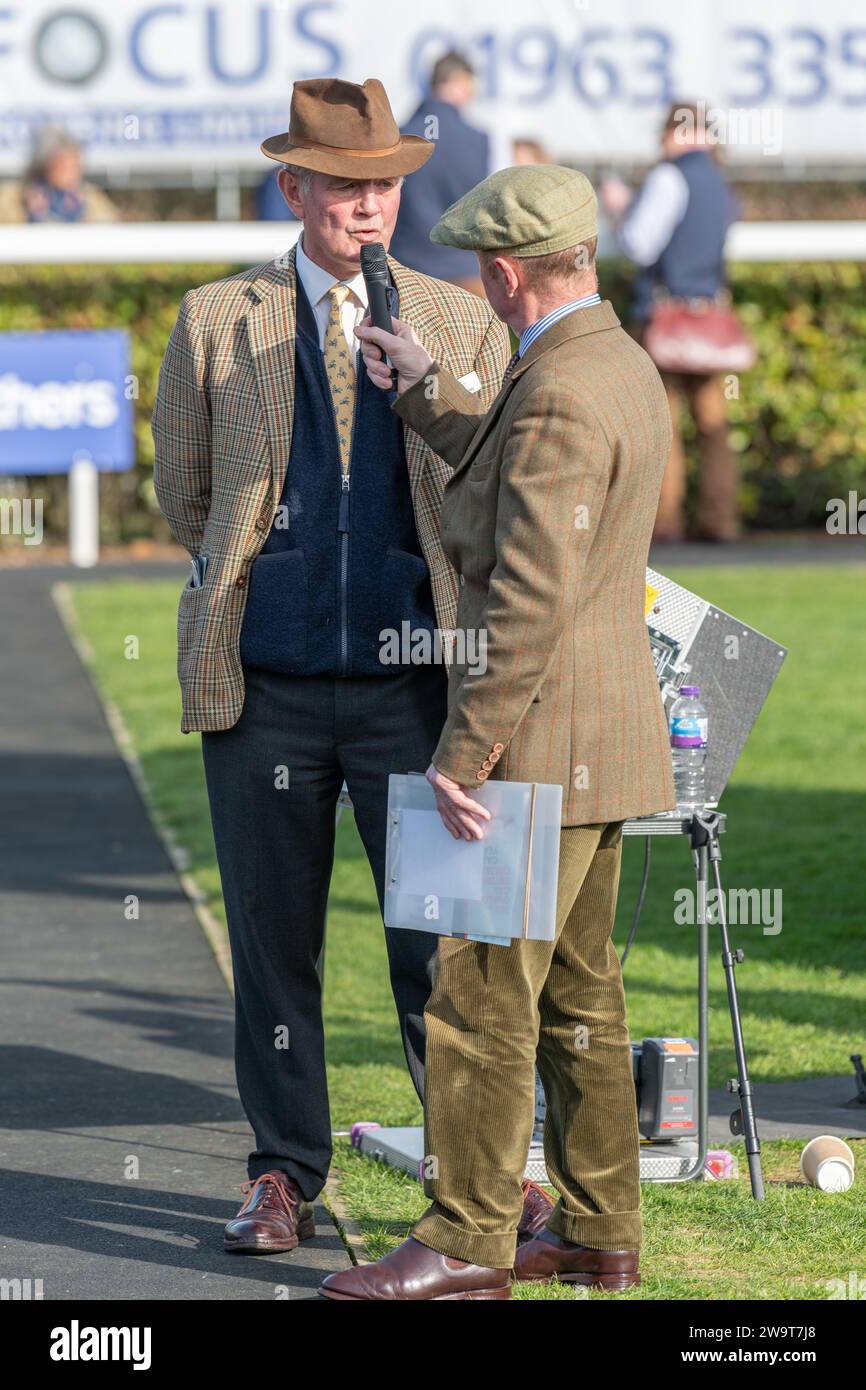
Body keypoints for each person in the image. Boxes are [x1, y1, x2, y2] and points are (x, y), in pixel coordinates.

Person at [151, 75, 514, 1256]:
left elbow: (498, 490)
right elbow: (185, 494)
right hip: (266, 691)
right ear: (292, 185)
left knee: (445, 950)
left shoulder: (461, 323)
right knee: (273, 948)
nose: (368, 206)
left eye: (385, 185)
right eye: (345, 186)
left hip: (424, 694)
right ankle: (280, 1175)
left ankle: (470, 1192)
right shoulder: (219, 317)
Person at [319, 164, 676, 1300]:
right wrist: (429, 391)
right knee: (580, 998)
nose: (481, 282)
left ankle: (464, 1240)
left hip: (525, 750)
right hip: (603, 741)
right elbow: (521, 487)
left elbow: (521, 599)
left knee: (474, 1000)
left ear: (506, 270)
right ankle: (595, 1231)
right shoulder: (608, 362)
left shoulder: (559, 388)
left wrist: (456, 757)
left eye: (485, 269)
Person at [602, 101, 741, 542]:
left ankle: (665, 524)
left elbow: (640, 246)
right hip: (710, 317)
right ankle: (722, 520)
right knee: (713, 428)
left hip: (664, 319)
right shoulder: (720, 183)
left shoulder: (669, 176)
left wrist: (621, 209)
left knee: (661, 425)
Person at [389, 51, 491, 298]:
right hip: (467, 275)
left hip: (408, 273)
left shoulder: (397, 137)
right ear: (460, 80)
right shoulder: (479, 140)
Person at [0, 125, 118, 223]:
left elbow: (111, 227)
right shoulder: (14, 195)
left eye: (75, 164)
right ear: (45, 164)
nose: (72, 172)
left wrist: (83, 216)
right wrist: (27, 215)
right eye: (63, 164)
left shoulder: (89, 196)